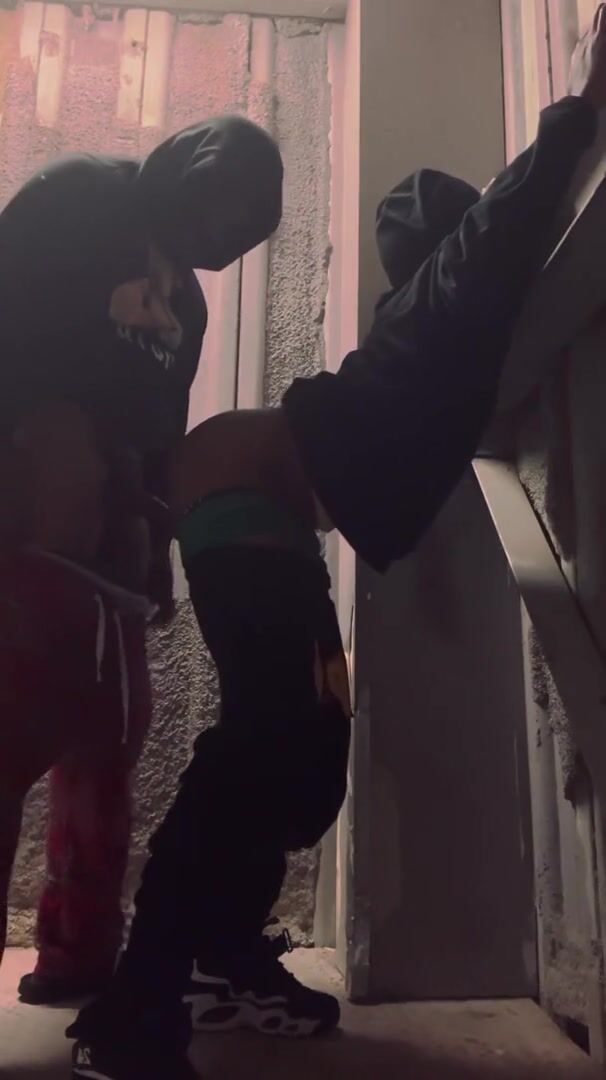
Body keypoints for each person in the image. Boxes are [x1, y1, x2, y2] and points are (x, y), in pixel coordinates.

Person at [69, 11, 606, 1078]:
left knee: (312, 753)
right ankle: (138, 1001)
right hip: (237, 496)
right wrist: (583, 112)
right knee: (266, 735)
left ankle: (221, 956)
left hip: (272, 521)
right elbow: (501, 224)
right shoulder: (444, 313)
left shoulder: (451, 358)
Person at [0, 114, 283, 1005]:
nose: (224, 248)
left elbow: (163, 436)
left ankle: (78, 957)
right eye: (224, 219)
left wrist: (158, 548)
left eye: (244, 239)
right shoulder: (78, 193)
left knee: (108, 744)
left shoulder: (187, 304)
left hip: (111, 558)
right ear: (193, 167)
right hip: (22, 533)